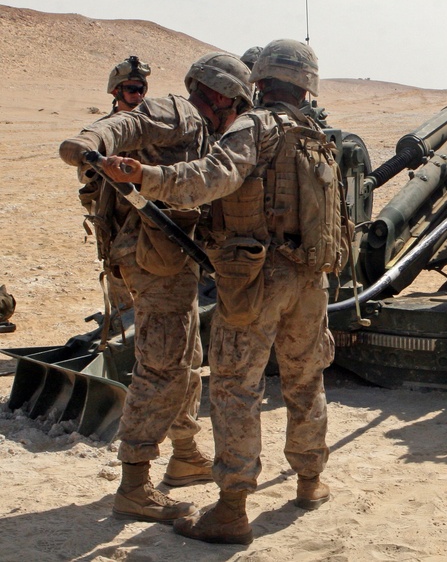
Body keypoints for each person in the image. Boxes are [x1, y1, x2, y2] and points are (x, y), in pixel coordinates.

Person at [104, 39, 347, 545]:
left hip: (255, 280)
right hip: (310, 280)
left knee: (237, 388)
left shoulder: (253, 127)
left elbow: (212, 178)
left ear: (258, 83)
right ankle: (310, 480)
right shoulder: (318, 135)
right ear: (306, 85)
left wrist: (148, 177)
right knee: (306, 380)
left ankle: (232, 508)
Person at [59, 52, 254, 523]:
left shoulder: (203, 130)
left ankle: (185, 454)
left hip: (171, 257)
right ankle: (134, 484)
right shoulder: (178, 111)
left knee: (186, 357)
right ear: (222, 96)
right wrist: (88, 141)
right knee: (162, 363)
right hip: (153, 259)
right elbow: (125, 126)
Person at [78, 57, 153, 313]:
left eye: (142, 89)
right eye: (132, 89)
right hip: (115, 223)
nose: (139, 95)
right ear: (116, 91)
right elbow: (86, 179)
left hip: (148, 223)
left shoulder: (155, 128)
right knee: (121, 298)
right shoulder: (101, 131)